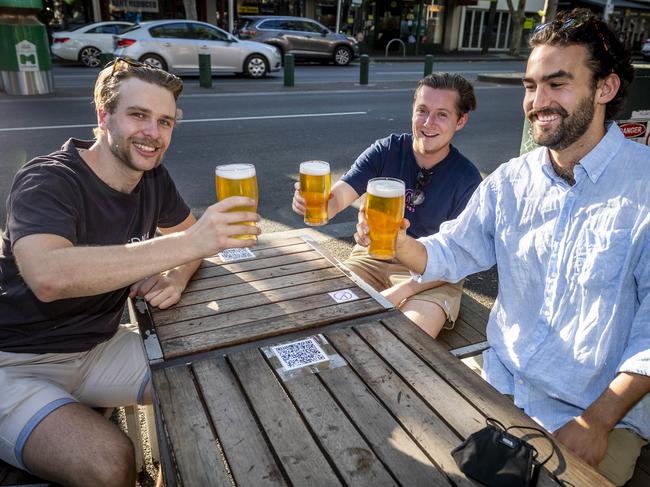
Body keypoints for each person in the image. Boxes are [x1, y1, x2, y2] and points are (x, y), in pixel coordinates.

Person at [355, 9, 649, 486]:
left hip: (597, 412)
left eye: (557, 84)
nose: (537, 102)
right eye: (531, 86)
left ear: (605, 88)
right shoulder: (513, 179)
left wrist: (597, 422)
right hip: (500, 382)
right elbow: (451, 251)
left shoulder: (644, 185)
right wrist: (399, 242)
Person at [0, 58, 260, 486]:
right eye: (138, 115)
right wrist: (188, 245)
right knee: (109, 463)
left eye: (165, 122)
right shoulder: (48, 179)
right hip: (16, 361)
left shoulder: (152, 178)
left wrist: (176, 275)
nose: (153, 134)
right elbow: (48, 276)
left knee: (211, 380)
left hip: (97, 347)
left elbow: (190, 238)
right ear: (103, 117)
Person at [292, 73, 482, 338]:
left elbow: (459, 260)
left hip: (431, 276)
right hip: (371, 258)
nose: (428, 123)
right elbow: (338, 198)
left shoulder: (468, 180)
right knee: (320, 312)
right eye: (422, 111)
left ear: (460, 121)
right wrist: (315, 204)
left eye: (442, 114)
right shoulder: (387, 150)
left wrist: (399, 292)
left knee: (405, 338)